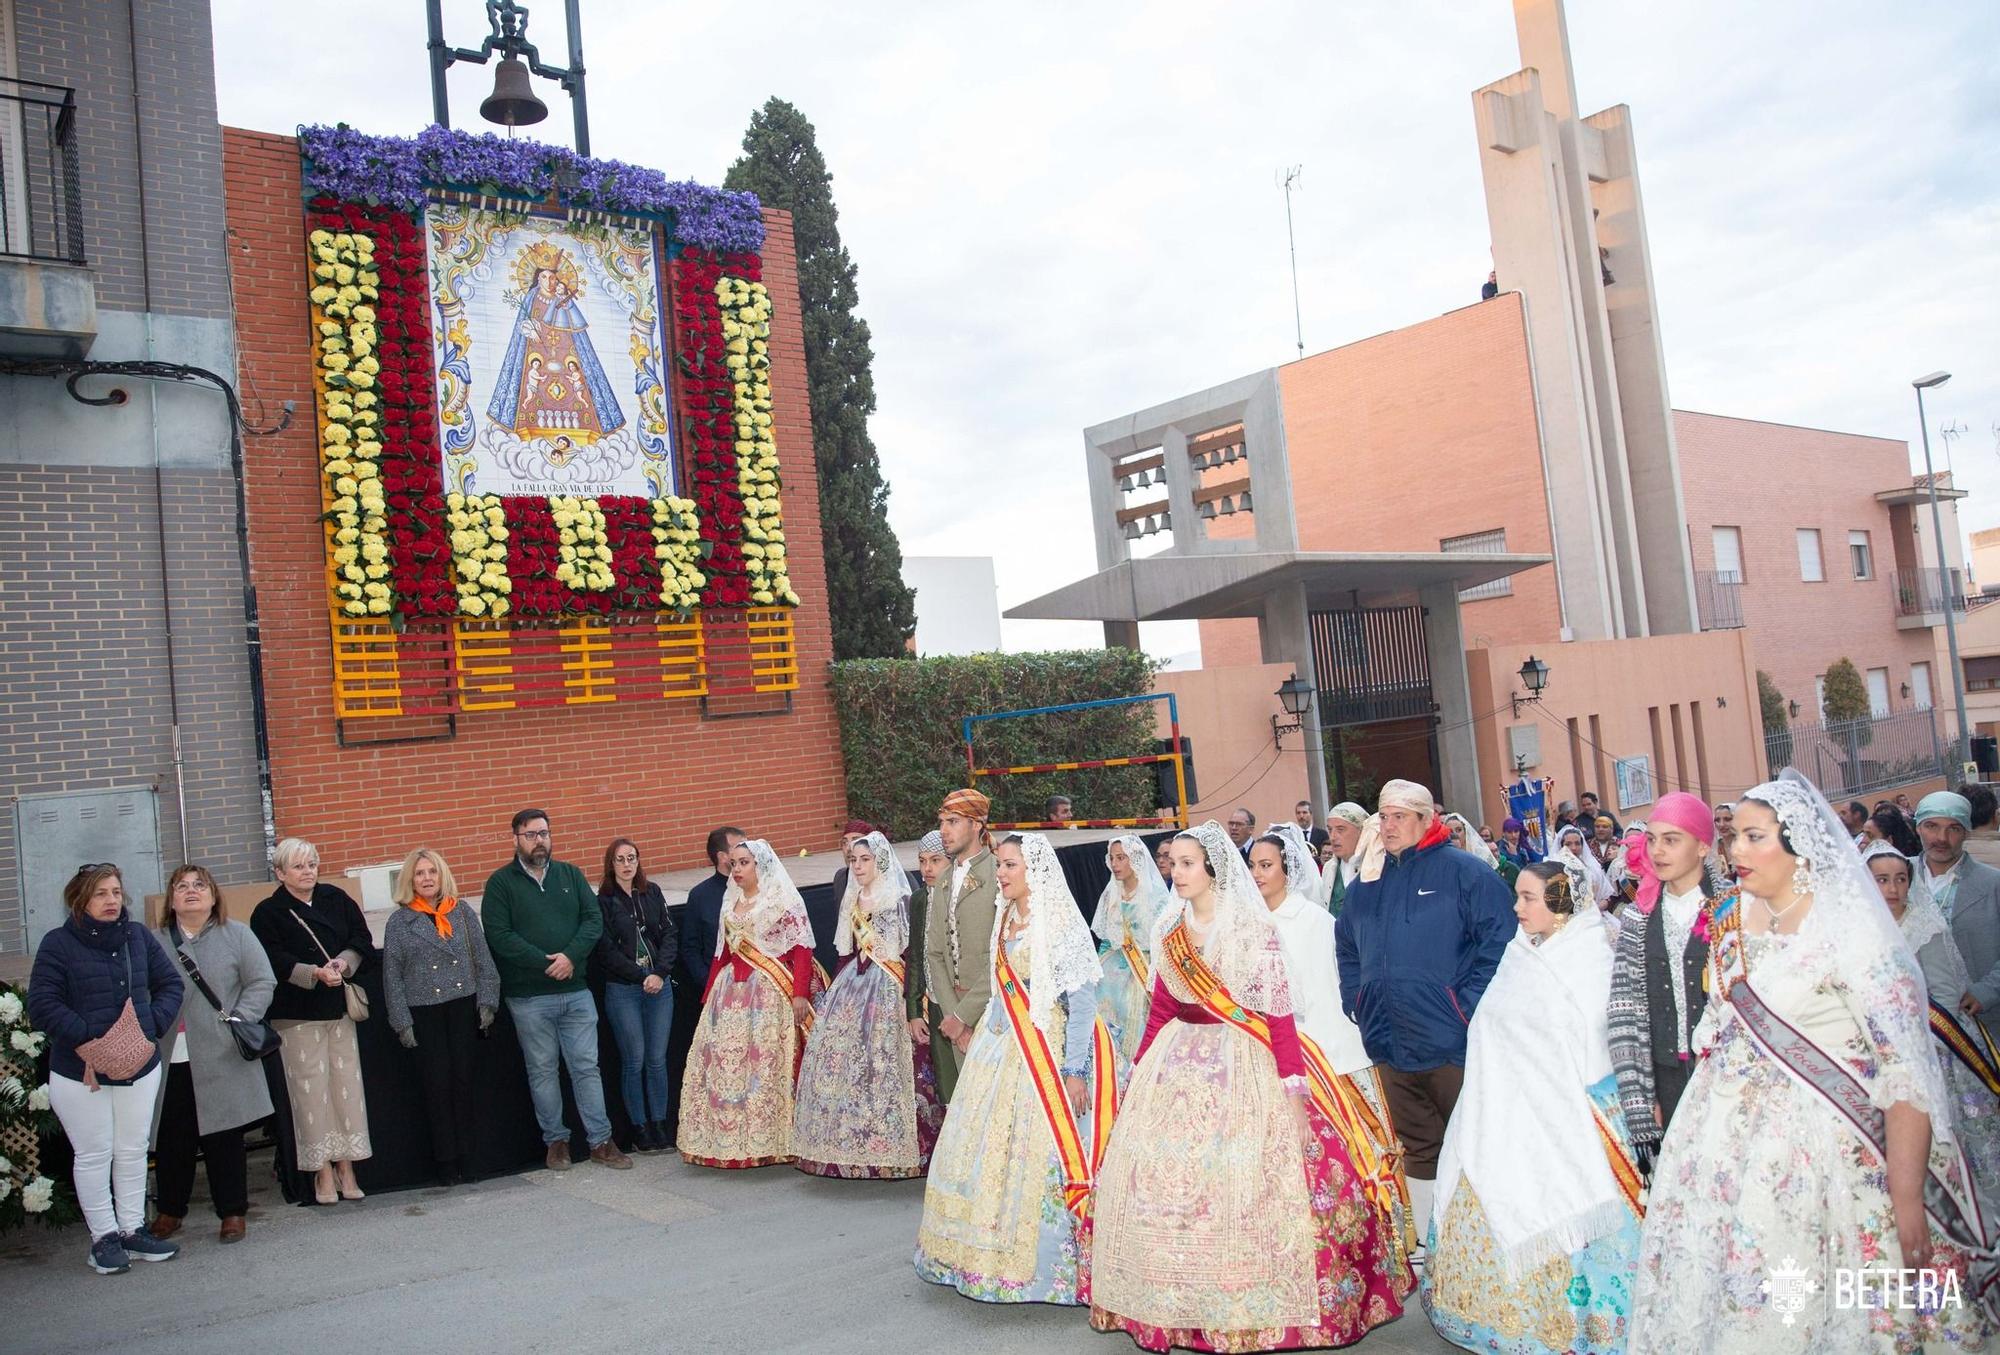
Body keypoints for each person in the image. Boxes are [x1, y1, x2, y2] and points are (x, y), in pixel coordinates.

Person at [1628, 773, 1996, 1351]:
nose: (1735, 850)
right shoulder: (1728, 924)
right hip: (1720, 1154)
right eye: (1734, 837)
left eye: (1755, 837)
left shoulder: (1854, 935)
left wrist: (1905, 1201)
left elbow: (1907, 1078)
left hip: (1832, 1161)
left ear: (1800, 846)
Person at [1091, 822, 1410, 1348]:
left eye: (1189, 863)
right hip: (1176, 1066)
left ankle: (1247, 1303)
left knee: (1248, 1182)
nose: (1177, 871)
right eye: (1175, 863)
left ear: (1213, 870)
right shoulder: (1169, 927)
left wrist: (1294, 1092)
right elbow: (1162, 1010)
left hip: (1244, 1062)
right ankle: (1174, 1302)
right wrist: (1140, 1072)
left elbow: (1278, 1017)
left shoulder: (1253, 930)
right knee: (1165, 1185)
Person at [1424, 861, 1642, 1353]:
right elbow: (1489, 1027)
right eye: (1517, 896)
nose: (1517, 908)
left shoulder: (1591, 959)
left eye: (1529, 898)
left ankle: (1581, 1326)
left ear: (1562, 902)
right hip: (1499, 1110)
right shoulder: (1516, 956)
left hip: (1569, 1114)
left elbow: (1592, 1040)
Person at [915, 833, 1111, 1305]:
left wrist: (1076, 1068)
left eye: (1008, 865)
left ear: (1033, 870)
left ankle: (1052, 1266)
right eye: (1000, 864)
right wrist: (984, 1034)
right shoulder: (1006, 915)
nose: (1000, 874)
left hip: (1050, 1050)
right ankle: (977, 1255)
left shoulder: (1060, 923)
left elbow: (1082, 1005)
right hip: (1002, 1047)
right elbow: (1003, 990)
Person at [1336, 779, 1515, 1266]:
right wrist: (1357, 998)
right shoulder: (1366, 883)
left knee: (1473, 1141)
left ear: (1425, 819)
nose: (1388, 826)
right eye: (1383, 816)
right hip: (1389, 1040)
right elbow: (1347, 945)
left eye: (1399, 816)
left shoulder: (1466, 873)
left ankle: (1483, 1247)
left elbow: (1499, 941)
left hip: (1451, 1039)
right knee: (1418, 1145)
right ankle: (1433, 1249)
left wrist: (1467, 1004)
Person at [1256, 826, 1411, 1260]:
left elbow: (1327, 987)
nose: (1256, 874)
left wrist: (1313, 1048)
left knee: (1353, 1152)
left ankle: (1379, 1247)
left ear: (1288, 871)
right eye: (1252, 865)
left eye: (1266, 866)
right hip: (1280, 1053)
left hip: (1328, 1052)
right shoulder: (1251, 924)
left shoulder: (1315, 921)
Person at [29, 864, 185, 1274]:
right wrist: (88, 1040)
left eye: (116, 892)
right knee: (94, 1153)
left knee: (132, 1150)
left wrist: (150, 1029)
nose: (112, 900)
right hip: (81, 1072)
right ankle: (104, 1238)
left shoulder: (138, 937)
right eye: (101, 893)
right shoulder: (57, 944)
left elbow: (172, 984)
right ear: (79, 899)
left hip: (139, 1064)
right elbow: (42, 1004)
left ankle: (133, 1229)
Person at [481, 809, 629, 1172]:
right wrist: (544, 962)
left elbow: (593, 920)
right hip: (530, 997)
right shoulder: (500, 884)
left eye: (544, 833)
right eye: (530, 835)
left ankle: (600, 1141)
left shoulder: (570, 875)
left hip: (577, 991)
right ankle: (557, 1143)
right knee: (543, 1071)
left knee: (586, 1067)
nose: (539, 841)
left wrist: (570, 957)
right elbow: (499, 935)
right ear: (515, 838)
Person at [793, 831, 941, 1178]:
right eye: (853, 861)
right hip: (854, 986)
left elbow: (911, 953)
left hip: (890, 986)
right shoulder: (853, 899)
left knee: (890, 1064)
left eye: (865, 860)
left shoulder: (899, 898)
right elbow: (846, 952)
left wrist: (912, 999)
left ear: (880, 861)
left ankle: (905, 1145)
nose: (858, 866)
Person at [1865, 840, 2000, 1208]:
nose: (1892, 889)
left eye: (1900, 880)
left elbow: (1941, 996)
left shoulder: (1925, 926)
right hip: (1869, 1050)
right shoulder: (1853, 927)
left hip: (1931, 1046)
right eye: (1881, 880)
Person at [150, 864, 275, 1245]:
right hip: (171, 1055)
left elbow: (262, 981)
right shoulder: (152, 942)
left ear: (214, 895)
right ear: (171, 899)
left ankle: (232, 1212)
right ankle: (170, 1211)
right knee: (173, 1138)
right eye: (182, 886)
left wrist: (241, 1017)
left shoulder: (237, 935)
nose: (191, 891)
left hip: (221, 1053)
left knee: (225, 1137)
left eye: (199, 885)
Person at [678, 838, 818, 1168]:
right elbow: (722, 954)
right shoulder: (731, 902)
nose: (737, 869)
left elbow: (802, 950)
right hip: (729, 997)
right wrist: (709, 997)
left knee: (764, 1067)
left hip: (767, 996)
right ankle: (727, 1140)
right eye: (735, 863)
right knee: (727, 1069)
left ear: (761, 866)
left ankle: (770, 1139)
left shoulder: (781, 900)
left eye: (744, 863)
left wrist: (800, 993)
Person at [249, 837, 375, 1204]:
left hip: (338, 1010)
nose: (308, 872)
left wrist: (343, 963)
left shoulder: (337, 899)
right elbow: (269, 958)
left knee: (347, 1092)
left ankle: (348, 1167)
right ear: (280, 872)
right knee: (310, 1095)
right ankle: (320, 1171)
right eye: (299, 866)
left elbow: (361, 938)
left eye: (312, 864)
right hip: (296, 1016)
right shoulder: (268, 912)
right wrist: (312, 973)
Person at [1605, 793, 1717, 1167]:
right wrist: (1640, 1102)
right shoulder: (1638, 920)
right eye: (1651, 839)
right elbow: (1624, 1012)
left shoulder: (1732, 910)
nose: (1658, 851)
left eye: (1672, 839)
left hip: (1723, 1079)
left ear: (1703, 846)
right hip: (1666, 1081)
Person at [381, 848, 499, 1185]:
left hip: (463, 1007)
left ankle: (470, 1158)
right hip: (425, 1012)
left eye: (432, 872)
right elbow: (392, 977)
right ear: (410, 880)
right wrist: (401, 1022)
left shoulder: (461, 912)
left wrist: (488, 1001)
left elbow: (483, 959)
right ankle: (446, 1162)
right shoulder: (399, 921)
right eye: (420, 874)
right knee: (437, 1089)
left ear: (442, 875)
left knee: (465, 1085)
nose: (427, 878)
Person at [594, 838, 678, 1155]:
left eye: (632, 858)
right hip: (624, 989)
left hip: (660, 987)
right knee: (635, 1060)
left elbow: (670, 935)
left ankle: (659, 1124)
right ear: (610, 864)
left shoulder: (652, 892)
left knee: (657, 1060)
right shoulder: (602, 900)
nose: (627, 864)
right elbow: (605, 951)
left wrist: (659, 973)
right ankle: (640, 1128)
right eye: (620, 859)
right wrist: (642, 976)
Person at [924, 788, 1000, 1104]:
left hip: (994, 1008)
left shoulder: (999, 873)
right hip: (954, 1013)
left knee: (997, 1102)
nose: (944, 831)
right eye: (942, 822)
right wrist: (952, 1016)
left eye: (953, 821)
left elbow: (1001, 957)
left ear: (978, 824)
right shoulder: (943, 880)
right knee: (970, 1104)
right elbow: (935, 953)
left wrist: (965, 1016)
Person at [671, 826, 744, 1131]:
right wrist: (713, 986)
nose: (745, 854)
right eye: (738, 848)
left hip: (755, 994)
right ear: (721, 856)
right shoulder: (701, 895)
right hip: (717, 996)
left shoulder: (759, 887)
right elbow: (689, 948)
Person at [1915, 793, 2000, 1034]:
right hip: (1916, 1020)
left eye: (1953, 828)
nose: (1941, 838)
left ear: (1966, 833)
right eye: (1932, 826)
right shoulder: (1898, 878)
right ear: (1918, 828)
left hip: (1981, 1024)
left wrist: (1986, 991)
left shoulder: (1993, 883)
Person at [1090, 833, 1172, 1064]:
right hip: (1111, 971)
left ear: (1135, 859)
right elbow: (1106, 938)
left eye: (1121, 858)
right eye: (1112, 858)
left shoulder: (1155, 897)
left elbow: (1161, 944)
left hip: (1141, 972)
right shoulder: (1110, 895)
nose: (1115, 864)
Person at [908, 831, 948, 1061]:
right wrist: (914, 1012)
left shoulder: (963, 896)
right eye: (922, 861)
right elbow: (915, 956)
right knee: (946, 1085)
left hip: (964, 1005)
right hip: (934, 1002)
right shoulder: (919, 899)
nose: (927, 869)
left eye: (935, 860)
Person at [1318, 801, 1367, 915]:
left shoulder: (1375, 865)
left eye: (1340, 829)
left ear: (1361, 831)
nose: (1333, 837)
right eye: (1330, 830)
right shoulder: (1329, 868)